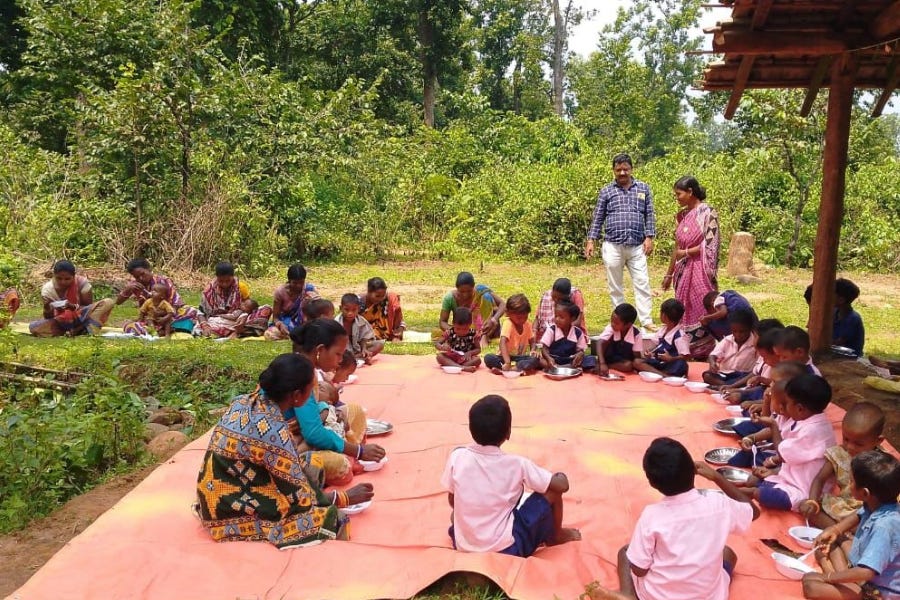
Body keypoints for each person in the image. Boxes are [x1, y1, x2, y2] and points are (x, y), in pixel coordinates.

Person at [194, 353, 374, 548]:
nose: (313, 395)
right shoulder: (274, 432)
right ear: (296, 395)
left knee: (312, 463)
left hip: (220, 489)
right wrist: (343, 498)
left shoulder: (243, 401)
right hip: (228, 507)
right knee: (333, 520)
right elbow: (298, 497)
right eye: (311, 390)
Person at [588, 437, 758, 600]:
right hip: (709, 596)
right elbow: (753, 512)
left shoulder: (652, 516)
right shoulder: (719, 504)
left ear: (652, 482)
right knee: (727, 553)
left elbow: (639, 570)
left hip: (656, 596)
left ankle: (628, 595)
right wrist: (717, 477)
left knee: (627, 552)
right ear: (694, 469)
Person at [440, 394, 581, 555]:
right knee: (552, 490)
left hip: (464, 543)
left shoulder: (457, 456)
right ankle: (556, 536)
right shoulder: (517, 464)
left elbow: (452, 501)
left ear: (471, 429)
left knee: (455, 515)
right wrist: (560, 476)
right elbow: (562, 486)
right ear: (508, 433)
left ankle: (476, 535)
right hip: (507, 548)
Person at [288, 319, 385, 485]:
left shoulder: (307, 369)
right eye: (338, 354)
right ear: (320, 350)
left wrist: (328, 409)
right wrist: (358, 451)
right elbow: (313, 433)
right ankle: (347, 457)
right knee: (340, 467)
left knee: (355, 411)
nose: (340, 360)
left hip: (309, 429)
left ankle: (345, 453)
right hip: (291, 443)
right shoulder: (299, 375)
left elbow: (311, 409)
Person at [802, 451, 900, 600]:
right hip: (863, 568)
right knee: (831, 543)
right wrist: (835, 529)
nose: (849, 485)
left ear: (865, 493)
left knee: (811, 585)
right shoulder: (878, 503)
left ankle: (844, 582)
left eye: (851, 482)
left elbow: (866, 572)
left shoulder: (885, 527)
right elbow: (858, 515)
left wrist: (828, 577)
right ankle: (845, 580)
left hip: (877, 590)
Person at [741, 374, 836, 512]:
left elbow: (783, 454)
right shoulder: (809, 420)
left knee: (762, 494)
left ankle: (750, 493)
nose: (784, 408)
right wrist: (774, 471)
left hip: (804, 489)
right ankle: (754, 489)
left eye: (787, 403)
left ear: (799, 409)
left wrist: (773, 426)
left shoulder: (813, 431)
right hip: (790, 477)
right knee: (753, 480)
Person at [585, 153, 657, 331]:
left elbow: (649, 214)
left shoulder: (643, 188)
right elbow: (598, 217)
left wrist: (649, 237)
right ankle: (620, 319)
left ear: (631, 169)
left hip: (637, 245)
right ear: (613, 171)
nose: (622, 173)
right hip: (612, 245)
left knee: (642, 282)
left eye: (626, 169)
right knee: (615, 285)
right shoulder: (607, 191)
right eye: (619, 170)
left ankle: (646, 320)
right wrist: (591, 240)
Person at [802, 403, 886, 531]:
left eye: (858, 444)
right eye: (846, 439)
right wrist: (812, 501)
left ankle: (839, 533)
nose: (850, 447)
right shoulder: (838, 454)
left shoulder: (883, 461)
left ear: (878, 441)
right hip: (841, 506)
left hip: (866, 510)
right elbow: (820, 478)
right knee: (807, 507)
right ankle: (839, 534)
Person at [662, 177, 720, 335]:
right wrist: (669, 274)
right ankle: (685, 340)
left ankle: (705, 339)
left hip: (701, 269)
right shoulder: (681, 216)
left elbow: (710, 244)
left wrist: (687, 252)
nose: (677, 198)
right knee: (683, 305)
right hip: (683, 270)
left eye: (678, 194)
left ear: (690, 192)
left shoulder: (707, 212)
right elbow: (677, 247)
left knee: (703, 301)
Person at [29, 260, 114, 337]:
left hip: (80, 317)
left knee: (108, 302)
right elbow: (48, 317)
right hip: (61, 320)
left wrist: (72, 307)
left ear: (74, 276)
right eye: (59, 278)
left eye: (67, 279)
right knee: (34, 327)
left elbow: (88, 309)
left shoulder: (82, 283)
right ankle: (79, 330)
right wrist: (47, 308)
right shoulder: (47, 290)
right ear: (54, 275)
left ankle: (79, 329)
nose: (63, 282)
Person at [116, 258, 198, 334]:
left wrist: (166, 316)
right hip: (150, 318)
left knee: (191, 311)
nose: (141, 278)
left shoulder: (163, 281)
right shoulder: (135, 285)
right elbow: (118, 302)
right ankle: (166, 330)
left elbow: (175, 302)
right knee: (130, 326)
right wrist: (128, 289)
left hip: (170, 314)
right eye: (137, 277)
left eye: (142, 274)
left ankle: (163, 329)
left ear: (149, 269)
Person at [440, 272, 506, 349]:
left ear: (473, 286)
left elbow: (503, 304)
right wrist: (457, 331)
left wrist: (493, 320)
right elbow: (442, 322)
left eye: (469, 291)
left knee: (486, 296)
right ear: (456, 288)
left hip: (486, 327)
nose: (465, 295)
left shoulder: (480, 291)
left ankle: (483, 336)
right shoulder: (449, 298)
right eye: (462, 292)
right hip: (463, 328)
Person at [485, 293, 540, 374]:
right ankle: (510, 368)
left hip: (519, 358)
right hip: (504, 358)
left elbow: (532, 341)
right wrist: (507, 362)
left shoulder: (527, 324)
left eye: (525, 317)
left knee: (535, 359)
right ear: (508, 313)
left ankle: (510, 369)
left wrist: (533, 351)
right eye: (519, 318)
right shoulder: (508, 324)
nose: (522, 320)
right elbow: (502, 343)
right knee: (488, 358)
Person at [702, 309, 758, 387]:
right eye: (734, 331)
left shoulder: (755, 344)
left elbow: (757, 368)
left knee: (749, 379)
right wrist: (712, 363)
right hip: (724, 373)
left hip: (742, 375)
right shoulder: (727, 340)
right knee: (707, 375)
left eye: (742, 332)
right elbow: (713, 355)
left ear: (750, 329)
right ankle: (727, 386)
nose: (738, 335)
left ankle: (726, 386)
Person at [635, 299, 690, 378]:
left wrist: (671, 358)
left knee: (681, 364)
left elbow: (686, 356)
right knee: (637, 362)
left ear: (664, 316)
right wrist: (650, 352)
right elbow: (657, 346)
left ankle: (660, 374)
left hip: (672, 364)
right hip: (659, 362)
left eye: (661, 312)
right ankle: (663, 375)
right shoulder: (663, 330)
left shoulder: (680, 336)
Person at [540, 301, 597, 372]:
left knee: (591, 359)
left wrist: (580, 354)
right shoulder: (551, 330)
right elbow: (544, 349)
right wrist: (549, 359)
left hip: (570, 361)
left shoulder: (578, 333)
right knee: (539, 360)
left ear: (572, 319)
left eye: (561, 317)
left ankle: (561, 368)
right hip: (554, 360)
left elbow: (581, 351)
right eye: (556, 316)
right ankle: (561, 368)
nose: (557, 319)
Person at [266, 264, 320, 340]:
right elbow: (275, 317)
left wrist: (310, 301)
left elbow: (319, 309)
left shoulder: (309, 289)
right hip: (286, 321)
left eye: (301, 282)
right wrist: (280, 324)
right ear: (289, 280)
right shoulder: (280, 292)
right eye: (295, 283)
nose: (298, 286)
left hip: (305, 321)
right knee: (272, 333)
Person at [197, 262, 250, 335]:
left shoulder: (241, 287)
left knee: (262, 312)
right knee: (196, 319)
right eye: (221, 281)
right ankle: (232, 331)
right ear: (216, 277)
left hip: (237, 319)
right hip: (215, 320)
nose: (224, 284)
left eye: (228, 281)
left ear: (233, 277)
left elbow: (248, 306)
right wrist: (205, 326)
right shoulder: (209, 290)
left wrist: (243, 317)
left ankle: (227, 330)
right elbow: (201, 312)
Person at [595, 303, 643, 376]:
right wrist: (602, 363)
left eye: (616, 323)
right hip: (607, 358)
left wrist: (637, 367)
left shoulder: (636, 334)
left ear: (628, 325)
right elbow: (600, 343)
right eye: (611, 321)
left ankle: (607, 367)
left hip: (621, 362)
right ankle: (601, 365)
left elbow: (637, 356)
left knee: (628, 365)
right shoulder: (611, 328)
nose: (612, 324)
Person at [533, 278, 587, 343]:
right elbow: (537, 319)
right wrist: (534, 331)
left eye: (560, 299)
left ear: (567, 296)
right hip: (547, 336)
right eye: (554, 297)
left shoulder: (575, 295)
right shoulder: (546, 296)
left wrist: (558, 332)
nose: (556, 300)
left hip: (569, 336)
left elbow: (577, 322)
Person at [337, 293, 384, 363]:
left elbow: (364, 337)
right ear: (341, 308)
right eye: (346, 310)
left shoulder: (361, 320)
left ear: (358, 309)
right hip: (342, 352)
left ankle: (359, 357)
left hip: (357, 350)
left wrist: (364, 349)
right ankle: (358, 359)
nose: (350, 313)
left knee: (379, 345)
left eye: (354, 310)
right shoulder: (336, 323)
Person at [435, 307, 482, 372]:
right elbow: (437, 343)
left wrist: (470, 353)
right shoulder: (449, 332)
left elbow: (478, 349)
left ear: (470, 324)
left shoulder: (474, 334)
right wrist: (442, 347)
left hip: (465, 358)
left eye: (465, 329)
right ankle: (462, 368)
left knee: (478, 360)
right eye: (458, 328)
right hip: (452, 357)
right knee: (439, 356)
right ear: (453, 323)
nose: (461, 332)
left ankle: (454, 366)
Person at [360, 277, 406, 341]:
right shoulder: (359, 302)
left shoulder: (388, 300)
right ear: (368, 292)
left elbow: (400, 319)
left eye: (383, 296)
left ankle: (393, 336)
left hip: (388, 333)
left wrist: (400, 329)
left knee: (393, 298)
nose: (380, 299)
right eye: (377, 296)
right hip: (367, 333)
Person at [202, 299, 272, 339]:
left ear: (250, 310)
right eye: (243, 303)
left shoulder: (241, 312)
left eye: (245, 306)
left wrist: (221, 315)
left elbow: (233, 317)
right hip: (227, 322)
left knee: (213, 322)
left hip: (227, 322)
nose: (242, 305)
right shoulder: (240, 311)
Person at [833, 278, 865, 357]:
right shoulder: (834, 312)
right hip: (835, 355)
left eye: (831, 294)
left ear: (841, 300)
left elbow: (838, 343)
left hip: (849, 359)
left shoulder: (852, 319)